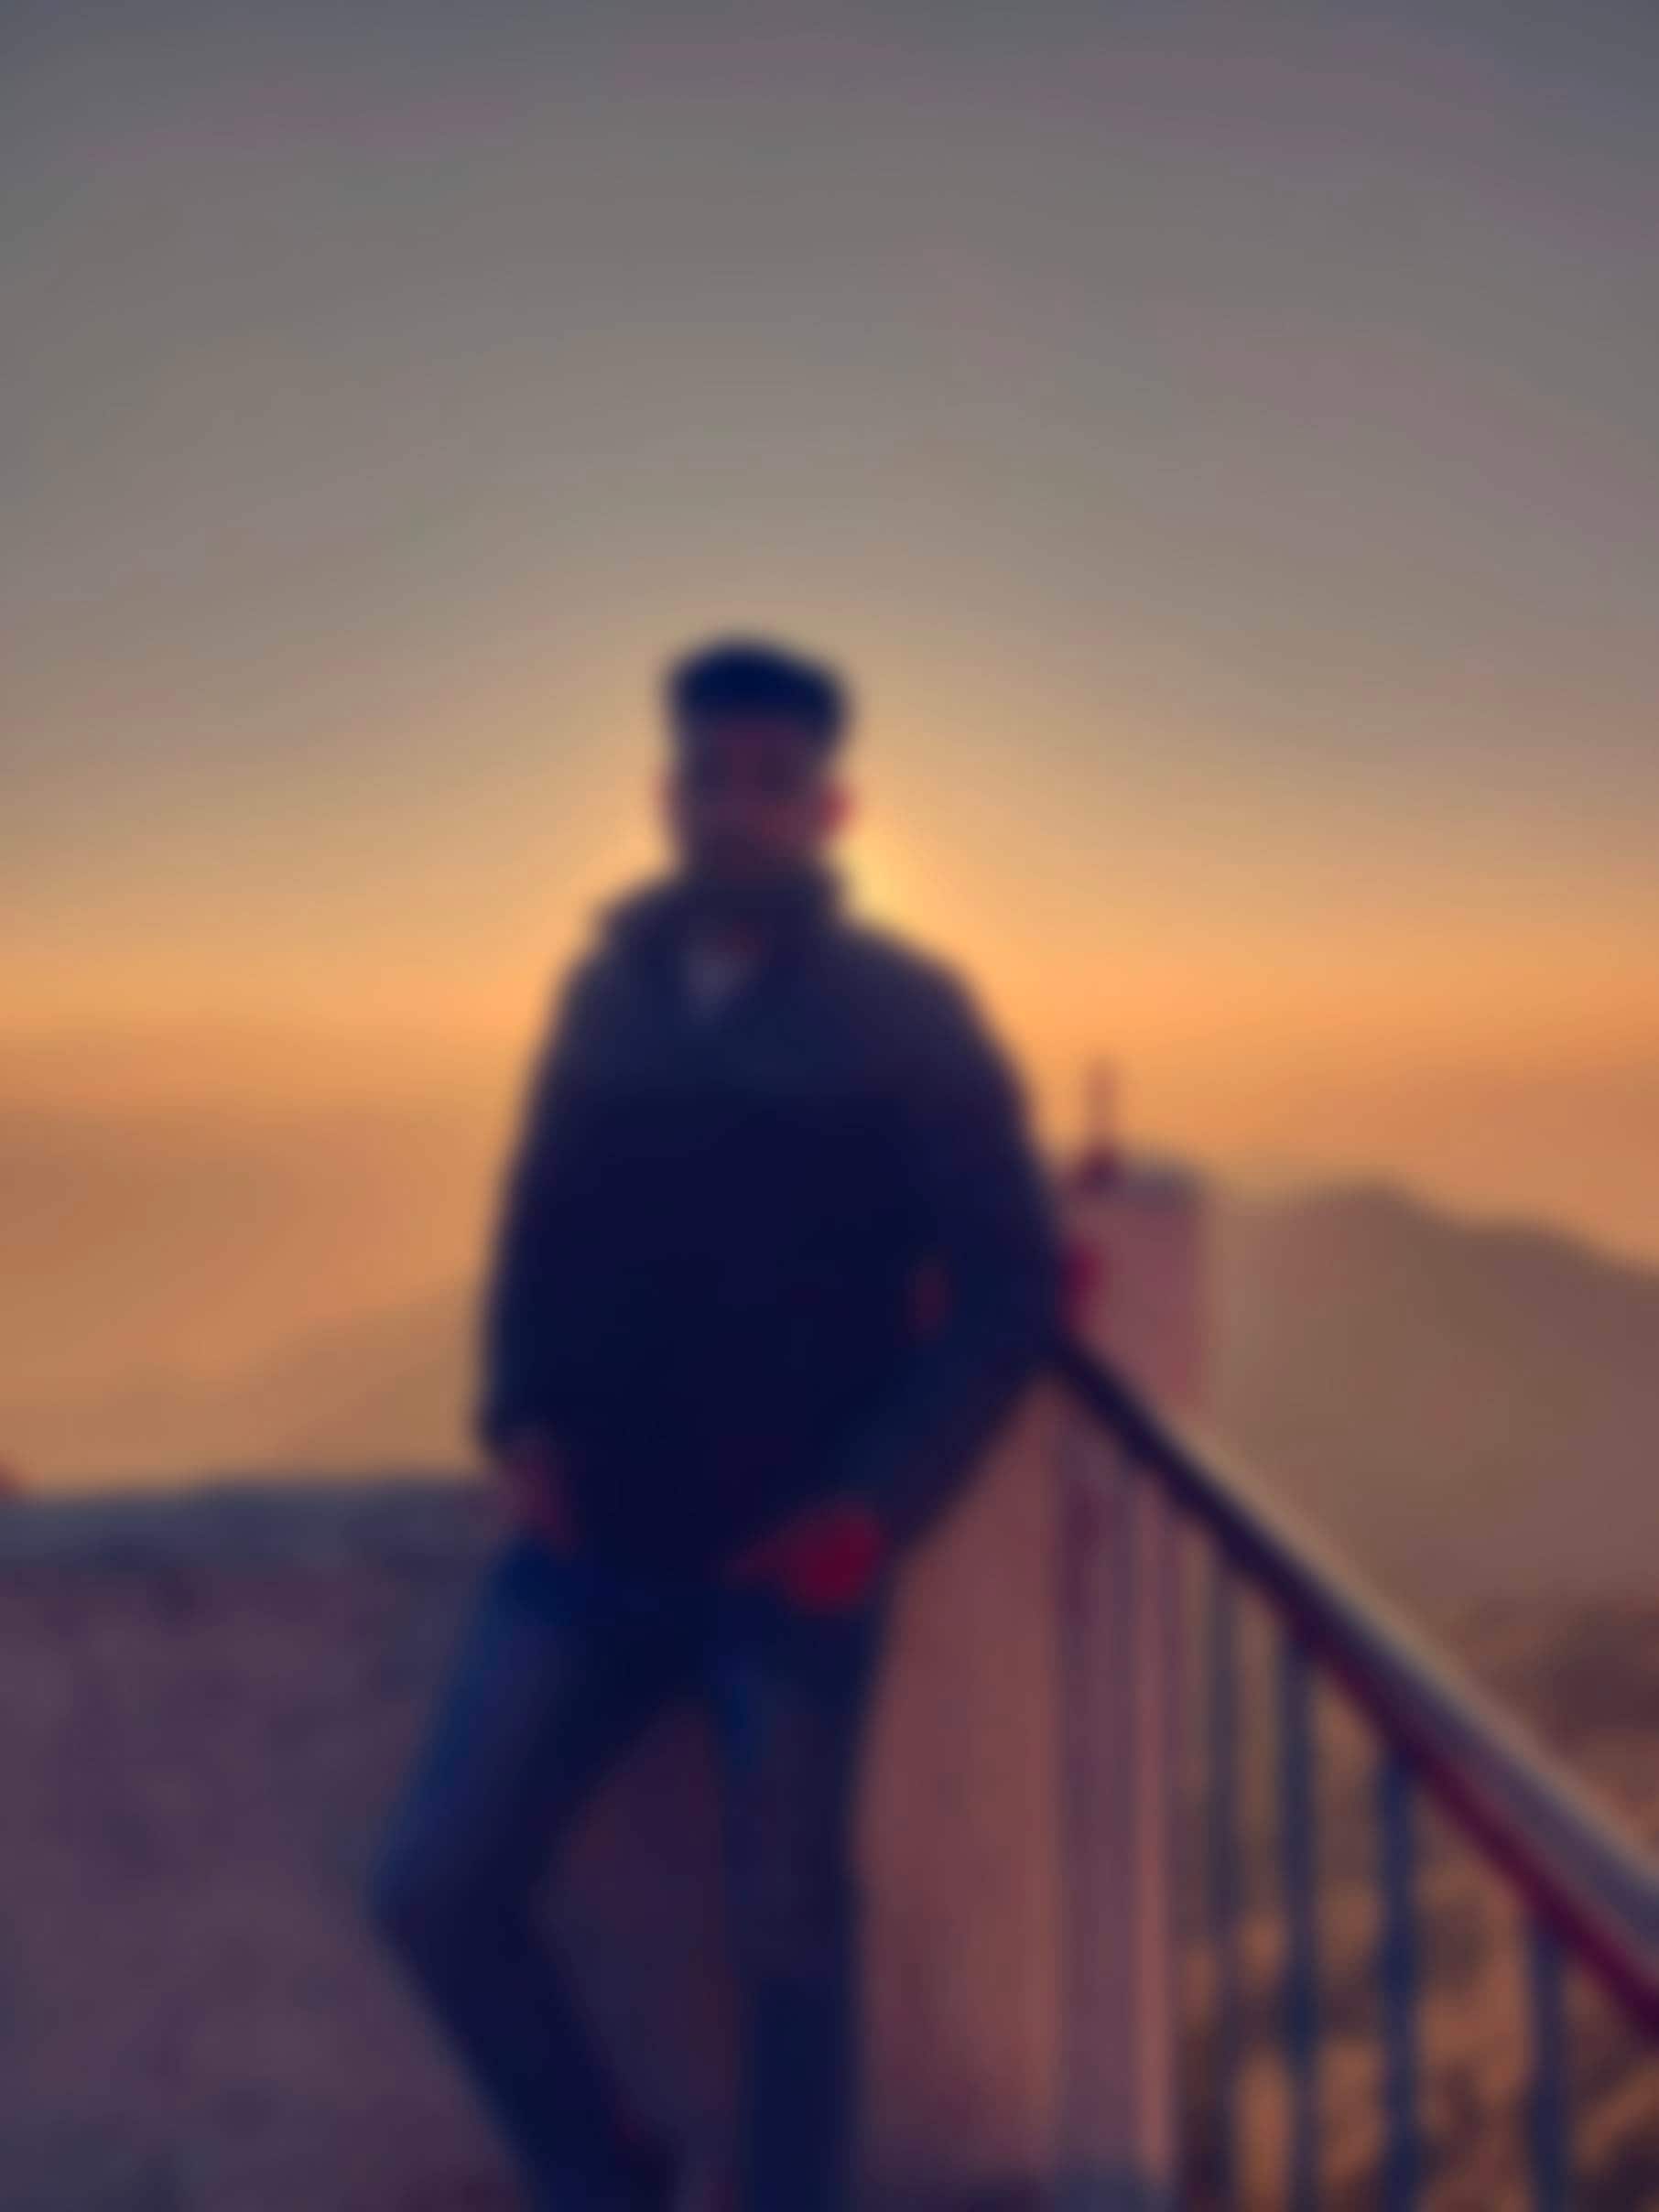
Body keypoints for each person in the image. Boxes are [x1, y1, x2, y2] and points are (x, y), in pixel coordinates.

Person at [369, 638, 1059, 2211]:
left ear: (831, 810)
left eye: (771, 780)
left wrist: (874, 1506)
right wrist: (517, 1417)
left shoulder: (907, 1013)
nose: (734, 806)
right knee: (435, 1888)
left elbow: (1009, 1289)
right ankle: (602, 2176)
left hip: (791, 1561)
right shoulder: (604, 993)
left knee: (789, 1943)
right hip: (590, 1544)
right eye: (709, 776)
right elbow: (535, 1230)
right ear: (665, 793)